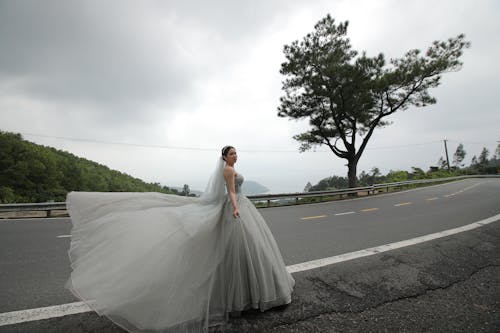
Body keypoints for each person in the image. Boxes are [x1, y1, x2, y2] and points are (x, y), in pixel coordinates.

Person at [65, 145, 294, 332]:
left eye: (236, 152)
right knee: (239, 249)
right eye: (231, 153)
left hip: (243, 207)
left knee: (248, 249)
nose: (235, 155)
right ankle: (250, 294)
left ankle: (250, 292)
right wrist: (235, 208)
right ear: (224, 157)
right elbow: (231, 192)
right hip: (236, 208)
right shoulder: (227, 170)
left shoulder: (231, 168)